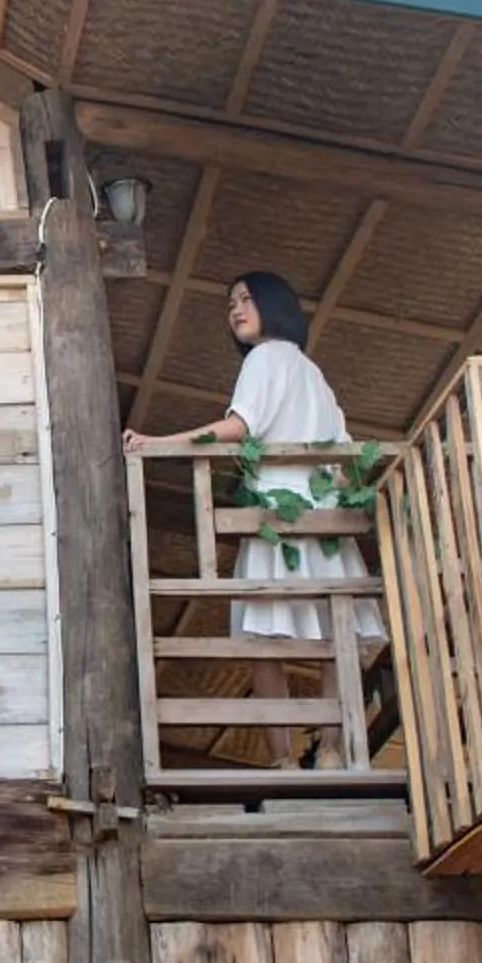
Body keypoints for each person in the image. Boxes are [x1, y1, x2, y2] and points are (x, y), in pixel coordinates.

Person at [125, 271, 387, 768]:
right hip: (325, 520)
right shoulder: (313, 374)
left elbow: (239, 426)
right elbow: (345, 455)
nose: (236, 310)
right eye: (231, 304)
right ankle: (332, 751)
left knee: (263, 640)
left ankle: (282, 758)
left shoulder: (264, 358)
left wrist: (160, 443)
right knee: (336, 636)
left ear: (274, 305)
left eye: (246, 299)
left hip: (275, 517)